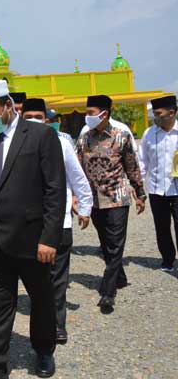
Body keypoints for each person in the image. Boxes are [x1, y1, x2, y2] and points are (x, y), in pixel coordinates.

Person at [0, 80, 66, 378]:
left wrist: (50, 238)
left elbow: (55, 189)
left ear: (8, 105)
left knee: (41, 299)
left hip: (33, 242)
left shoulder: (40, 136)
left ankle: (44, 350)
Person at [22, 98, 93, 344]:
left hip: (59, 224)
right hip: (27, 227)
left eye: (38, 117)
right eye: (27, 115)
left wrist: (84, 207)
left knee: (58, 280)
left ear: (47, 120)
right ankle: (43, 319)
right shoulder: (13, 146)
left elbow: (77, 177)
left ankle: (57, 325)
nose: (33, 121)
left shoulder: (61, 144)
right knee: (38, 280)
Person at [75, 95, 146, 314]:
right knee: (105, 242)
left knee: (115, 244)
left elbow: (132, 166)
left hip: (117, 197)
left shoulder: (121, 136)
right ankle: (120, 277)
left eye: (90, 112)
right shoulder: (84, 138)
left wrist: (139, 193)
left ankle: (108, 292)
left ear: (104, 114)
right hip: (95, 200)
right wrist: (76, 196)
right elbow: (77, 169)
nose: (87, 116)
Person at [139, 95, 178, 272]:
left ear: (171, 113)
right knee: (162, 228)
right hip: (156, 190)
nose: (155, 117)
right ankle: (168, 259)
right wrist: (138, 186)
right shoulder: (149, 133)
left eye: (158, 113)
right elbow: (142, 162)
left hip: (176, 190)